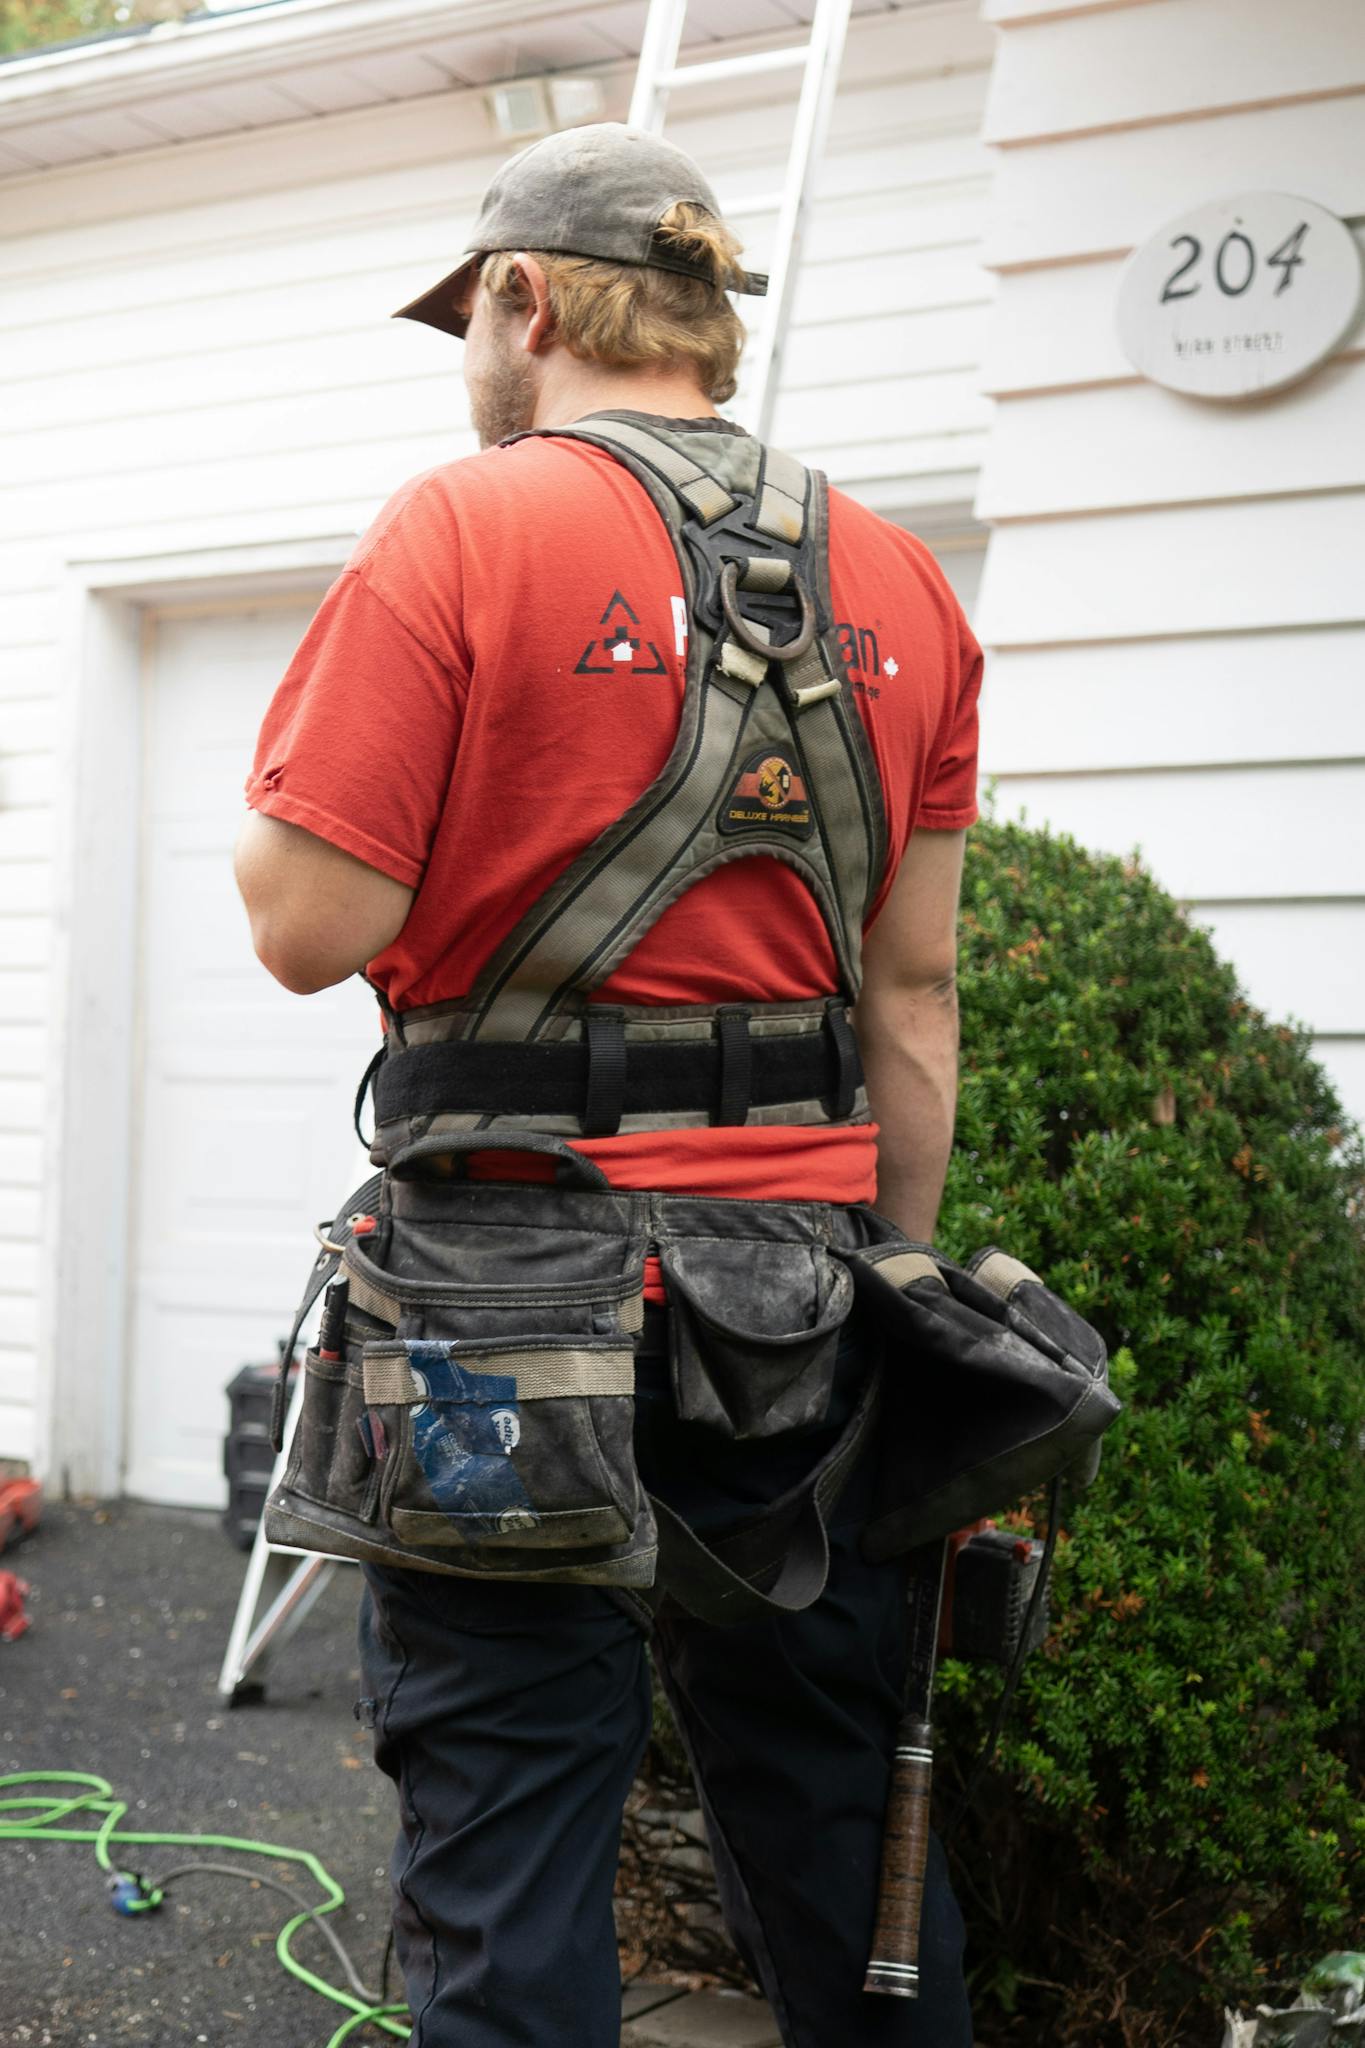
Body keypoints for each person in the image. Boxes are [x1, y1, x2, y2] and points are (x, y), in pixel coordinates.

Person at [236, 122, 981, 2048]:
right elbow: (911, 999)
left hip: (506, 1291)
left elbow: (311, 926)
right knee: (839, 1822)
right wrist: (895, 1293)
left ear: (524, 297)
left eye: (465, 318)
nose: (466, 362)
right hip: (798, 1293)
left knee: (509, 1832)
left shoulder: (461, 526)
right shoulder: (898, 575)